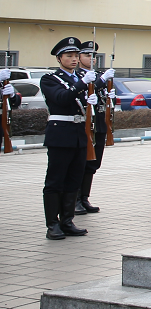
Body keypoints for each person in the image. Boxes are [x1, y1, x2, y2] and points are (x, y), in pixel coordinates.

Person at [40, 37, 91, 240]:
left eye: (76, 56)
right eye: (69, 56)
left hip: (78, 133)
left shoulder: (78, 79)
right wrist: (81, 85)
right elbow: (61, 98)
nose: (74, 59)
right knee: (55, 180)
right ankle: (52, 224)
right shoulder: (50, 79)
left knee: (74, 179)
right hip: (60, 133)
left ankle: (67, 221)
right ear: (59, 58)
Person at [75, 40, 113, 215]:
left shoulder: (96, 75)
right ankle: (74, 200)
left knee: (93, 163)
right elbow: (83, 92)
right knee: (80, 164)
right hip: (83, 124)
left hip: (98, 123)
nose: (92, 59)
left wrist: (109, 93)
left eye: (94, 56)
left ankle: (84, 198)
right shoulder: (78, 76)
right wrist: (102, 80)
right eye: (87, 55)